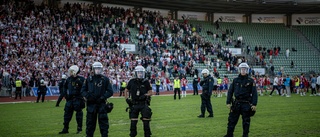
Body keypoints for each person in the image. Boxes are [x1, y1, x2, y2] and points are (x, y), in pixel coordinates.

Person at [224, 62, 258, 137]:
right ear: (239, 70)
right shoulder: (235, 80)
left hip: (246, 103)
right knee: (231, 120)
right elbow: (230, 91)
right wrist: (228, 102)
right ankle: (229, 135)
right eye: (242, 69)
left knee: (246, 121)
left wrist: (254, 104)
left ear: (247, 70)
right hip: (236, 103)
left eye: (245, 69)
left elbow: (254, 93)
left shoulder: (251, 81)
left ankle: (245, 135)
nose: (243, 71)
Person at [81, 62, 113, 137]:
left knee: (104, 124)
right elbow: (83, 90)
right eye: (96, 69)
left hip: (101, 104)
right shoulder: (88, 79)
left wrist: (103, 97)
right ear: (93, 69)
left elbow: (110, 91)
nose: (98, 70)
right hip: (91, 105)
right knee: (90, 125)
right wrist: (88, 96)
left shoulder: (105, 79)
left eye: (99, 69)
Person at [125, 65, 153, 137]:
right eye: (139, 72)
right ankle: (132, 135)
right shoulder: (131, 81)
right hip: (134, 104)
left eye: (141, 73)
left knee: (146, 121)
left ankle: (147, 135)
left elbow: (151, 92)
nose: (140, 74)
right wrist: (127, 99)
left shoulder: (146, 82)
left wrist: (146, 95)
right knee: (133, 122)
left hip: (143, 103)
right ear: (136, 73)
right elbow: (126, 90)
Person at [59, 66, 85, 134]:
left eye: (71, 71)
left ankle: (79, 129)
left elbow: (85, 87)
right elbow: (64, 87)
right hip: (70, 99)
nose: (69, 72)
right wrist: (65, 94)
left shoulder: (81, 79)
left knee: (79, 114)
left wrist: (80, 84)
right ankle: (65, 129)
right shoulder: (68, 79)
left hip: (78, 98)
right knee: (66, 114)